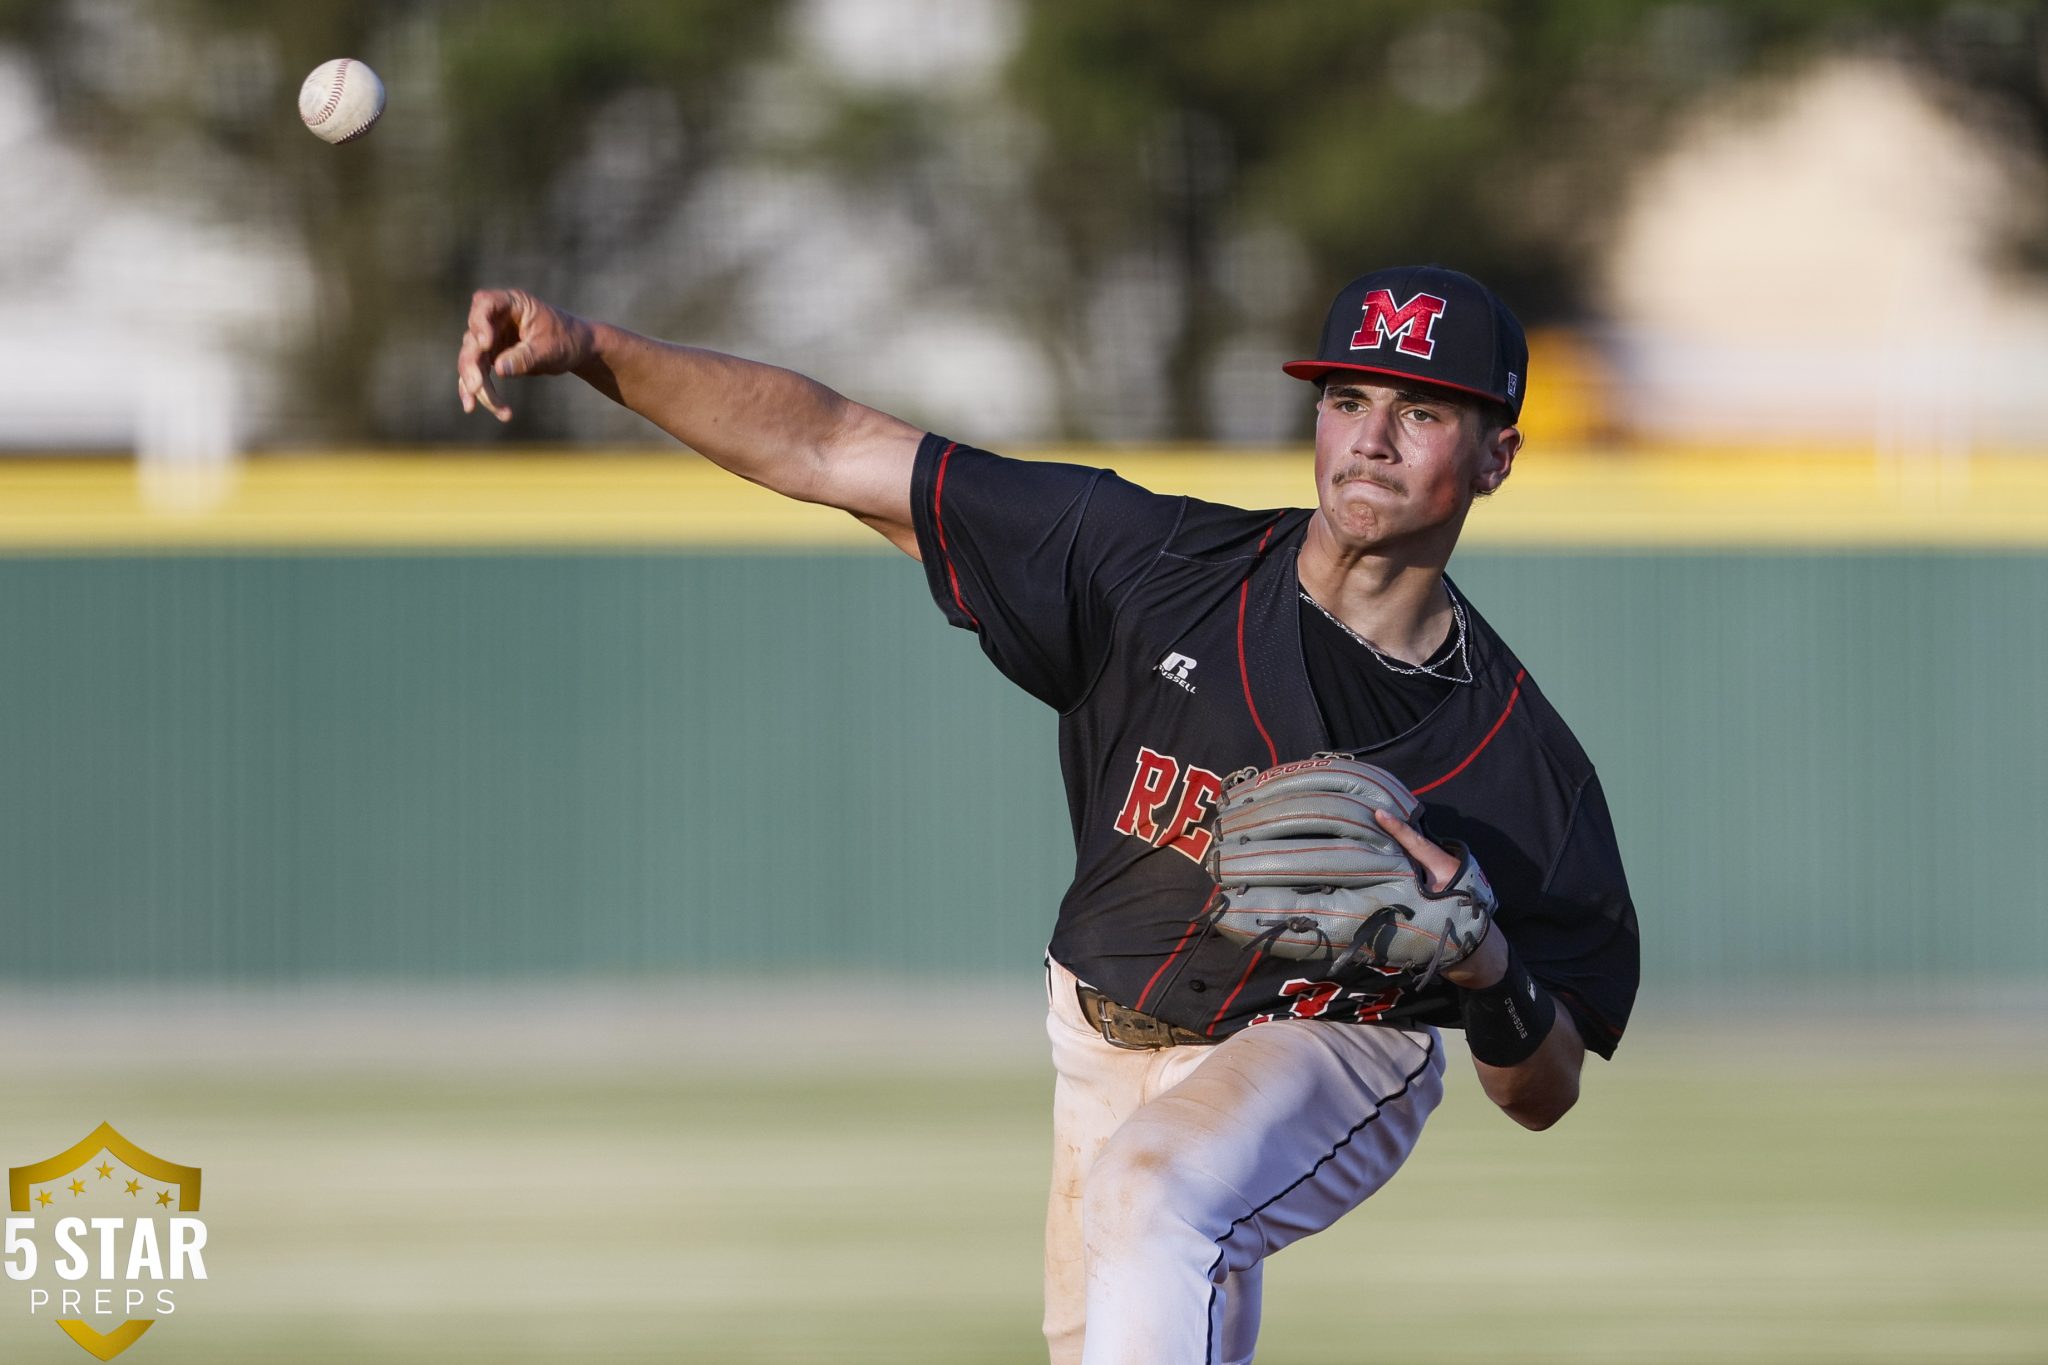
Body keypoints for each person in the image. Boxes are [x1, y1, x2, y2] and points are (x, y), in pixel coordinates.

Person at [456, 263, 1640, 1365]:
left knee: (1156, 1191)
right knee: (1131, 1279)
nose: (1369, 439)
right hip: (1093, 1039)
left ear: (1495, 457)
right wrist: (592, 348)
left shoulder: (1512, 763)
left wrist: (1485, 967)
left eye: (1422, 412)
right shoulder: (1150, 563)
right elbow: (830, 447)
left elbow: (1541, 1090)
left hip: (1330, 1048)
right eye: (1346, 396)